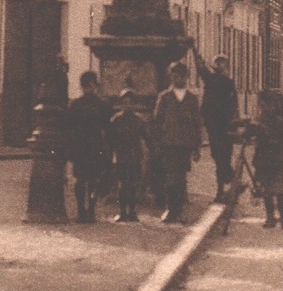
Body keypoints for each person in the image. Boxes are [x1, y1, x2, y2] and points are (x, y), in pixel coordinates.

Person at [152, 62, 203, 223]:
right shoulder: (165, 97)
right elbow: (157, 121)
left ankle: (177, 210)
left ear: (186, 77)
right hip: (169, 143)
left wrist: (196, 147)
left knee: (180, 177)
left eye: (181, 75)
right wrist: (158, 142)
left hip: (185, 145)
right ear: (171, 76)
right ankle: (170, 208)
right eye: (174, 75)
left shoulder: (192, 99)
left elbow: (197, 123)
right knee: (170, 177)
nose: (178, 78)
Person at [192, 45, 239, 203]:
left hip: (224, 125)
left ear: (226, 66)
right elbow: (200, 67)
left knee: (222, 158)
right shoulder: (210, 79)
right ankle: (232, 185)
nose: (220, 66)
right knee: (218, 157)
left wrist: (234, 122)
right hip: (214, 125)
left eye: (222, 63)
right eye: (217, 63)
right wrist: (195, 50)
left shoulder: (228, 83)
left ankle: (224, 189)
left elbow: (234, 105)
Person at [66, 71, 110, 222]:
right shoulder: (77, 105)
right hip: (84, 146)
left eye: (92, 86)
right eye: (88, 86)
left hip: (92, 146)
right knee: (82, 180)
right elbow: (69, 126)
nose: (90, 89)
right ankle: (82, 211)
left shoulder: (100, 105)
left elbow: (106, 127)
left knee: (91, 180)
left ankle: (90, 211)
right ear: (84, 86)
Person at [250, 92, 283, 229]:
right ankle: (270, 217)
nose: (261, 106)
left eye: (264, 103)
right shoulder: (260, 117)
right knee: (266, 189)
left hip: (276, 156)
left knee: (279, 189)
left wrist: (274, 139)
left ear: (271, 104)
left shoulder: (280, 118)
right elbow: (254, 131)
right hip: (262, 156)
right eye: (261, 104)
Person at [107, 92, 149, 223]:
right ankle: (122, 213)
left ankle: (132, 212)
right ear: (120, 105)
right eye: (125, 103)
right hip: (121, 157)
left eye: (130, 103)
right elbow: (110, 140)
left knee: (133, 185)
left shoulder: (138, 121)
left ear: (134, 105)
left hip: (135, 156)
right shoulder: (116, 120)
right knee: (122, 185)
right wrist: (109, 155)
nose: (128, 106)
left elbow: (147, 137)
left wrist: (153, 148)